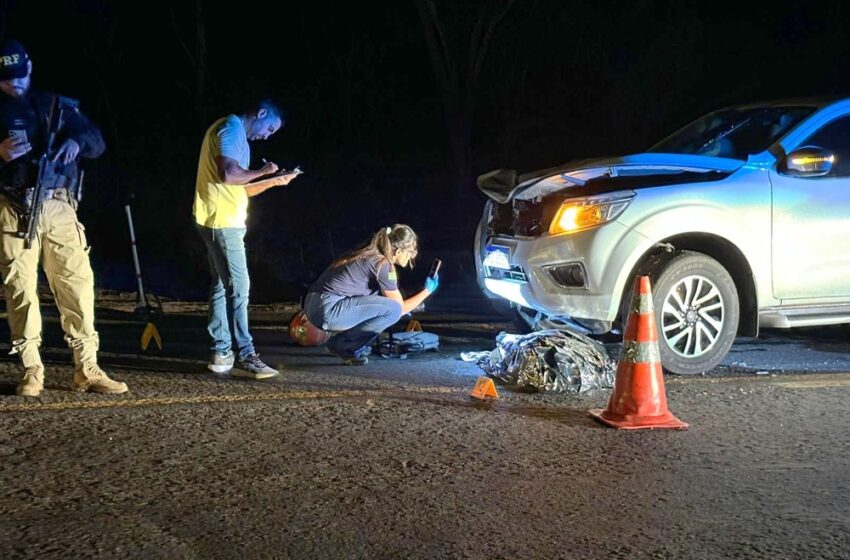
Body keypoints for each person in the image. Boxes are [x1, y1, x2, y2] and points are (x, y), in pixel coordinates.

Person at [0, 39, 127, 396]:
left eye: (20, 75)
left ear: (30, 68)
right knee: (20, 288)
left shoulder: (54, 105)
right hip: (12, 205)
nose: (15, 83)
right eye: (7, 79)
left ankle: (87, 368)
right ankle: (31, 369)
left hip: (58, 203)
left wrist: (77, 143)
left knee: (76, 285)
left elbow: (96, 140)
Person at [193, 99, 300, 379]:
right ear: (261, 113)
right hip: (222, 222)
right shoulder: (230, 128)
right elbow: (229, 175)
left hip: (217, 218)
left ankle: (222, 352)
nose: (267, 135)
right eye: (270, 128)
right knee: (240, 288)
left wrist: (273, 180)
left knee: (220, 285)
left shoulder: (235, 133)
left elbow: (240, 188)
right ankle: (246, 354)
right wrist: (264, 171)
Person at [303, 224, 439, 365]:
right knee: (394, 309)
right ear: (398, 251)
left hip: (313, 305)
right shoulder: (383, 265)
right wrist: (427, 291)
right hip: (327, 310)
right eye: (411, 251)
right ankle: (345, 346)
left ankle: (342, 344)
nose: (413, 255)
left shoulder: (366, 255)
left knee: (384, 302)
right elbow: (399, 309)